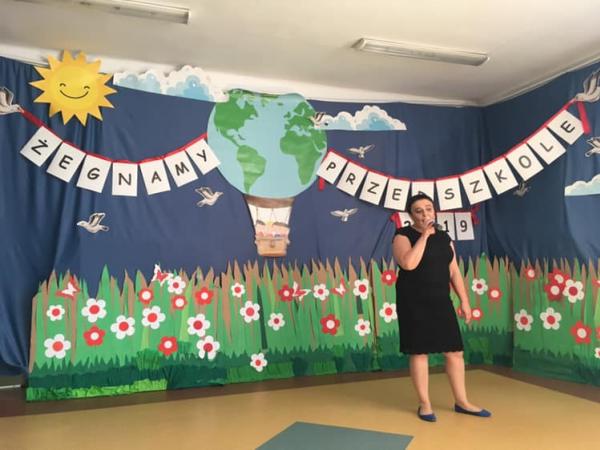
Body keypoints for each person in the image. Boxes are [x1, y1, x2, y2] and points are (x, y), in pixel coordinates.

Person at [392, 193, 491, 422]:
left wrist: (464, 301)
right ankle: (425, 404)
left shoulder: (445, 237)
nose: (425, 214)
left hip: (440, 299)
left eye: (428, 208)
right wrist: (425, 236)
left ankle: (462, 401)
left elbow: (453, 271)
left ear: (434, 210)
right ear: (411, 215)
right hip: (413, 301)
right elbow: (408, 263)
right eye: (418, 211)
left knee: (455, 351)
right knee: (419, 351)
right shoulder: (402, 235)